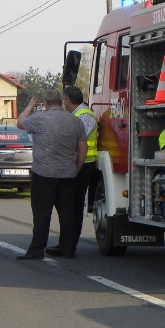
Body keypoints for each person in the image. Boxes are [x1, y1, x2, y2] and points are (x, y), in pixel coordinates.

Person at [16, 89, 87, 260]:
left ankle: (37, 249)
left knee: (42, 214)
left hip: (44, 174)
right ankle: (68, 249)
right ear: (61, 102)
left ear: (46, 103)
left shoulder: (39, 119)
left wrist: (30, 105)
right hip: (68, 173)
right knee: (67, 214)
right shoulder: (75, 121)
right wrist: (76, 167)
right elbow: (83, 147)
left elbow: (19, 122)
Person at [56, 85, 99, 255]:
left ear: (68, 100)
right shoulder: (77, 115)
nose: (64, 104)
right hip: (78, 162)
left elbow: (77, 139)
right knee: (70, 203)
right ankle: (66, 243)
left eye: (64, 100)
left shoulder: (85, 116)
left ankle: (70, 244)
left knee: (75, 203)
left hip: (84, 164)